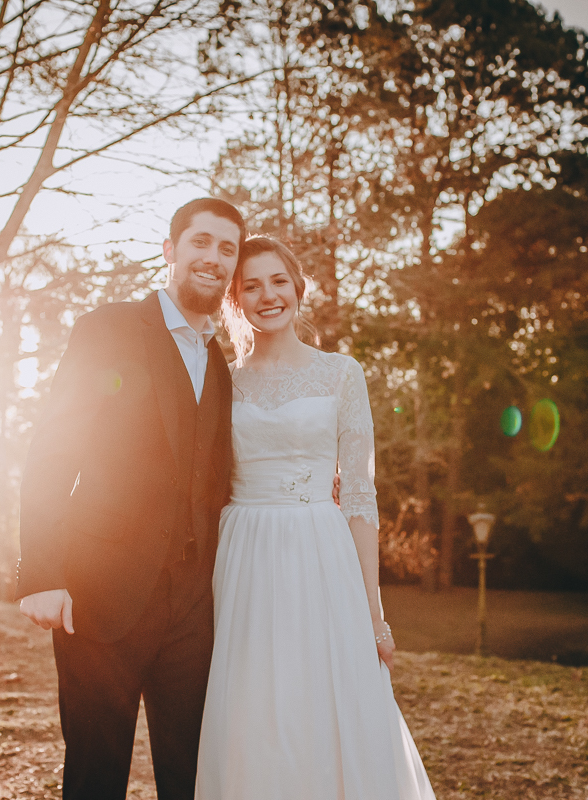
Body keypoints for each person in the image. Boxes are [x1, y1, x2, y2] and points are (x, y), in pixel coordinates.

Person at [17, 198, 244, 800]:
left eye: (227, 249)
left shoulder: (221, 362)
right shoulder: (110, 327)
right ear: (170, 251)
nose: (213, 258)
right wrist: (40, 573)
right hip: (100, 593)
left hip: (194, 609)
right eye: (201, 242)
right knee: (95, 771)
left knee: (192, 774)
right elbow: (51, 451)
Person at [194, 236, 436, 799]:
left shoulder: (341, 374)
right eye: (250, 285)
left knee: (325, 700)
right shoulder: (221, 380)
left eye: (278, 281)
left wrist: (375, 614)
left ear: (298, 289)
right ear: (235, 299)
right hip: (243, 553)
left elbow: (359, 497)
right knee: (252, 705)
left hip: (321, 553)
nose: (267, 295)